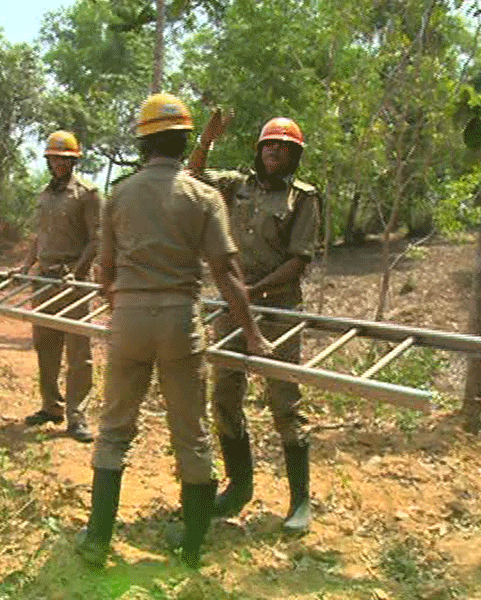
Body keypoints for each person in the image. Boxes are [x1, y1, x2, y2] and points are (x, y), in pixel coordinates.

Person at [75, 94, 271, 569]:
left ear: (143, 143)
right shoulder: (203, 197)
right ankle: (192, 548)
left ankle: (98, 541)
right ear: (185, 141)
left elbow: (104, 272)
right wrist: (252, 333)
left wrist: (122, 305)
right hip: (181, 322)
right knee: (192, 433)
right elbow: (227, 274)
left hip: (129, 320)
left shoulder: (118, 194)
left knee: (115, 429)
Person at [200, 117, 321, 535]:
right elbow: (192, 176)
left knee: (285, 401)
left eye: (284, 149)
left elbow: (299, 259)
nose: (275, 153)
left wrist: (254, 290)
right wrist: (206, 142)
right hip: (233, 306)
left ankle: (299, 501)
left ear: (294, 156)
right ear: (259, 150)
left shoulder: (303, 198)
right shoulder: (237, 185)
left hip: (278, 308)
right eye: (269, 146)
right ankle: (239, 486)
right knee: (225, 395)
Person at [11, 131, 102, 443]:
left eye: (65, 158)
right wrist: (26, 266)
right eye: (54, 158)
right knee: (45, 345)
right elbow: (38, 236)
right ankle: (51, 407)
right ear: (48, 160)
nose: (58, 163)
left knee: (79, 352)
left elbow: (96, 239)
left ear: (74, 160)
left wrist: (77, 273)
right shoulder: (44, 195)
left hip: (73, 280)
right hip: (44, 279)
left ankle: (77, 417)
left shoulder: (88, 194)